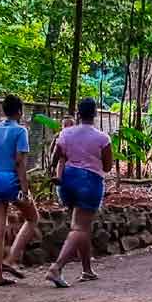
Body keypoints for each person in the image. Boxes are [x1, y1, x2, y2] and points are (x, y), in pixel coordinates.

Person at [47, 98, 113, 288]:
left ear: (78, 113)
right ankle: (56, 268)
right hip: (89, 182)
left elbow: (56, 156)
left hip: (67, 181)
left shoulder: (66, 133)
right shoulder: (102, 138)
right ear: (95, 114)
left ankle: (87, 269)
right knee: (80, 227)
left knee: (81, 226)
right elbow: (108, 167)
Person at [0, 94, 40, 287]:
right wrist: (25, 189)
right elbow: (20, 163)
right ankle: (11, 258)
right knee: (32, 218)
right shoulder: (21, 131)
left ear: (4, 111)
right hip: (11, 181)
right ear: (20, 112)